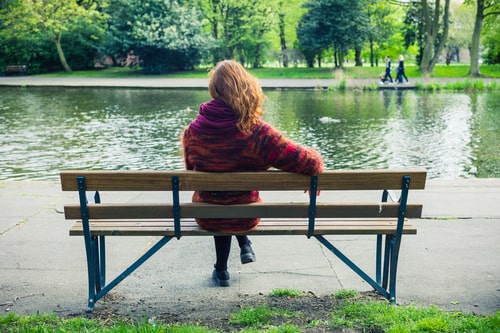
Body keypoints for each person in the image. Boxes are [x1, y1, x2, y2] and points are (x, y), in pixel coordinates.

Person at [182, 60, 324, 287]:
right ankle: (244, 243)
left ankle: (222, 269)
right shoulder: (257, 131)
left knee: (220, 202)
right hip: (246, 213)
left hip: (207, 212)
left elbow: (191, 171)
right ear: (246, 86)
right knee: (234, 203)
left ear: (214, 89)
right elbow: (305, 162)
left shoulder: (192, 132)